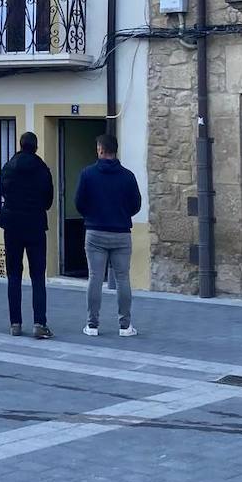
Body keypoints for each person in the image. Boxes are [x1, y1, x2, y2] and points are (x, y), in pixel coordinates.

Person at [75, 133, 143, 337]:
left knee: (95, 278)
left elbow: (79, 202)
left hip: (95, 232)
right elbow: (136, 205)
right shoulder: (128, 176)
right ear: (115, 151)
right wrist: (121, 214)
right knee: (123, 279)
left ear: (100, 150)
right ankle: (125, 326)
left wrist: (92, 215)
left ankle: (92, 325)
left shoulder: (87, 174)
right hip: (121, 233)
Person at [0, 131, 55, 339]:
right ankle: (39, 322)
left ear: (21, 145)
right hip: (35, 225)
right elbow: (48, 201)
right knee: (38, 275)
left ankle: (15, 323)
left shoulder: (8, 167)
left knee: (13, 274)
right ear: (36, 146)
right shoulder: (42, 169)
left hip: (12, 224)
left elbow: (3, 192)